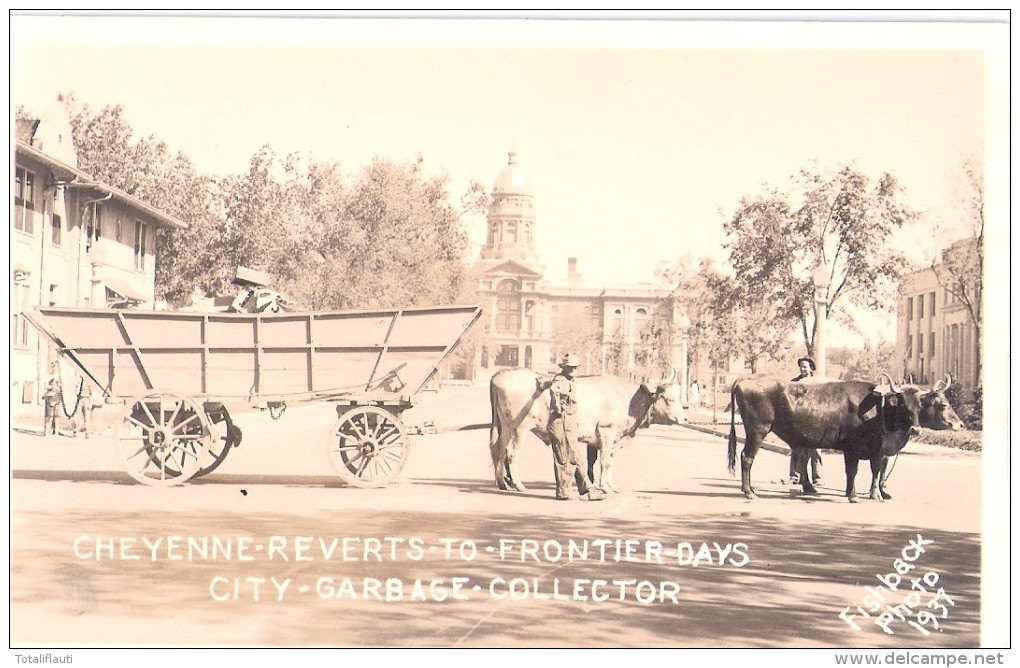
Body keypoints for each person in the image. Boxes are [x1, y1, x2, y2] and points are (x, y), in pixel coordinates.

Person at [548, 353, 605, 501]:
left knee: (576, 456)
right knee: (563, 458)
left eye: (575, 367)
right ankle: (563, 491)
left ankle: (588, 490)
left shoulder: (571, 380)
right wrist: (557, 405)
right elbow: (554, 389)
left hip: (570, 421)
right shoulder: (560, 379)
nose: (574, 370)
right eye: (571, 368)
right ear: (564, 368)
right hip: (561, 421)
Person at [789, 357, 822, 485]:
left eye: (805, 367)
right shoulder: (795, 382)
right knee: (796, 447)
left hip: (815, 417)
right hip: (800, 418)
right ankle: (795, 476)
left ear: (811, 368)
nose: (803, 369)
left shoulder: (817, 382)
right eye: (801, 367)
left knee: (816, 449)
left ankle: (817, 477)